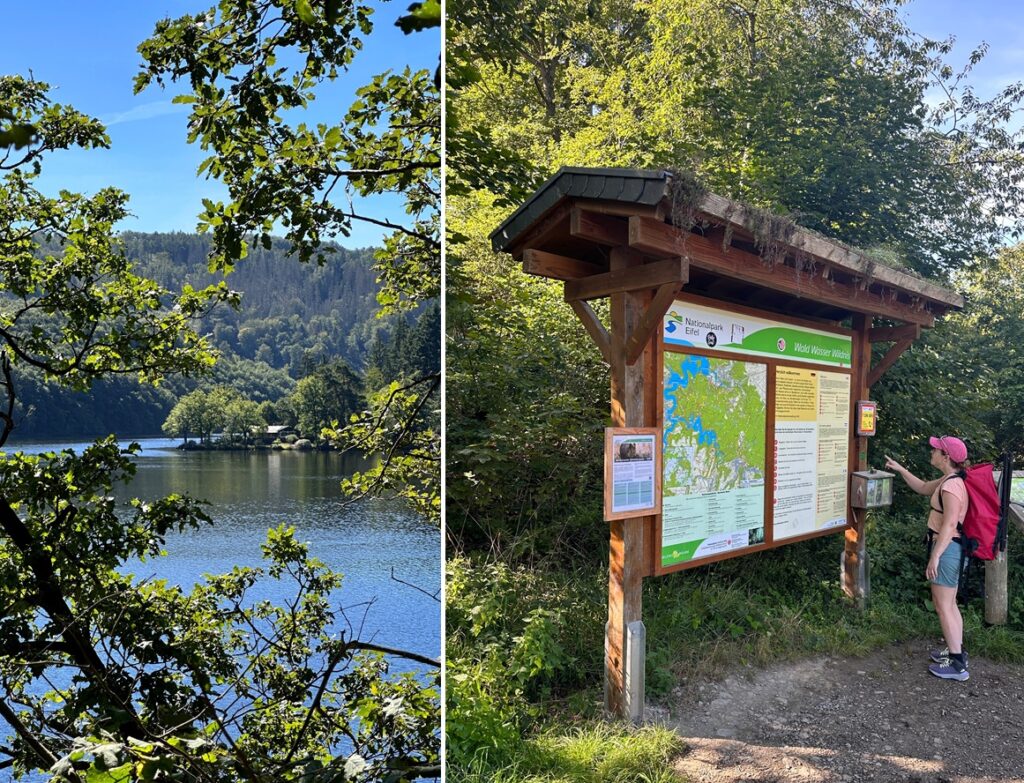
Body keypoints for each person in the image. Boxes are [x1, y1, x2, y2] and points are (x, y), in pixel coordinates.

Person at [885, 436, 970, 681]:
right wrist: (901, 469)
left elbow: (951, 523)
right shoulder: (948, 479)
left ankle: (957, 666)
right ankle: (958, 652)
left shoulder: (951, 486)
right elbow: (922, 487)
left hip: (948, 550)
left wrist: (935, 556)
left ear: (946, 457)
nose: (931, 451)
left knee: (943, 606)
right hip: (951, 549)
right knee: (950, 603)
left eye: (935, 449)